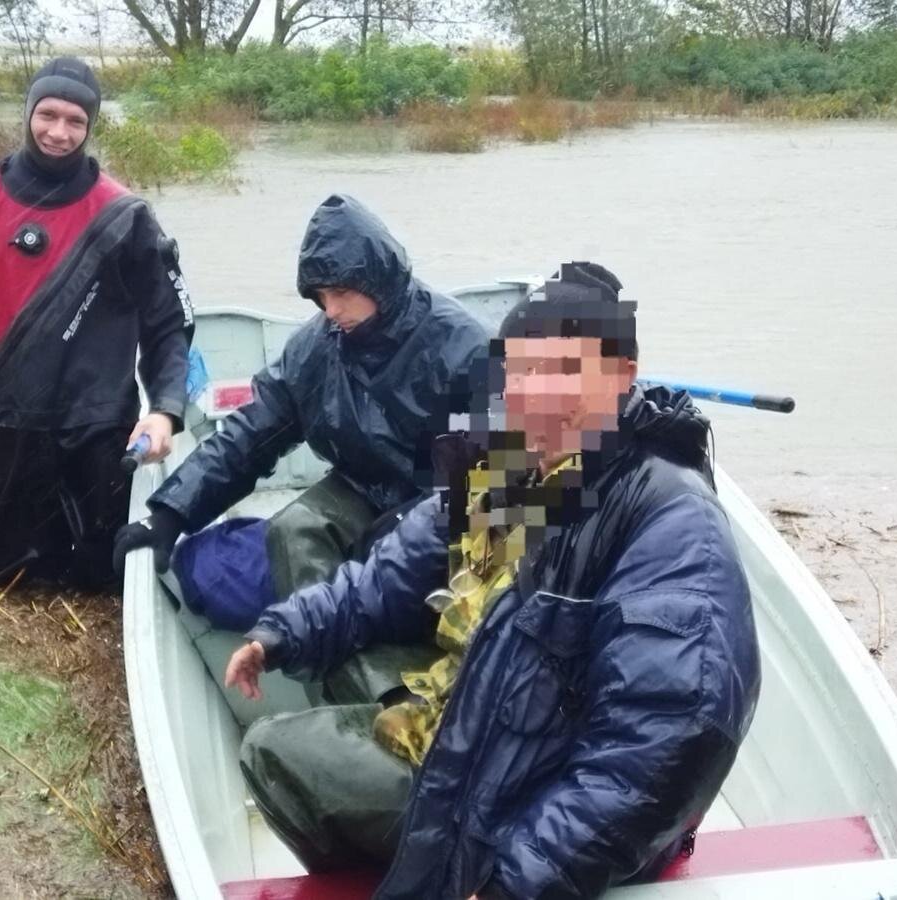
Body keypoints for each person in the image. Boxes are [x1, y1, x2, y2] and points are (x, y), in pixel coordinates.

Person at [225, 262, 762, 900]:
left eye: (565, 371)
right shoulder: (514, 462)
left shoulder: (667, 518)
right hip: (492, 714)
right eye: (523, 370)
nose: (537, 394)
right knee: (343, 647)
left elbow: (657, 751)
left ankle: (415, 874)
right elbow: (390, 573)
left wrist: (516, 879)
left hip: (534, 798)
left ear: (621, 376)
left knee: (272, 751)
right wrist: (282, 634)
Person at [113, 194, 487, 640]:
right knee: (266, 543)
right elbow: (251, 434)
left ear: (379, 281)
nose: (331, 310)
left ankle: (389, 676)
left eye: (342, 293)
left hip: (447, 511)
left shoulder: (463, 347)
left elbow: (500, 476)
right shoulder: (316, 347)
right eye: (321, 296)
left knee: (407, 579)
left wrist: (414, 524)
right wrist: (170, 513)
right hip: (361, 491)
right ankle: (358, 663)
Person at [0, 57, 194, 589]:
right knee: (3, 576)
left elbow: (169, 323)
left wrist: (167, 411)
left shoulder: (124, 214)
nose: (59, 133)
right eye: (49, 115)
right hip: (2, 415)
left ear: (91, 126)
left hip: (97, 423)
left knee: (102, 576)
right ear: (29, 112)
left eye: (76, 121)